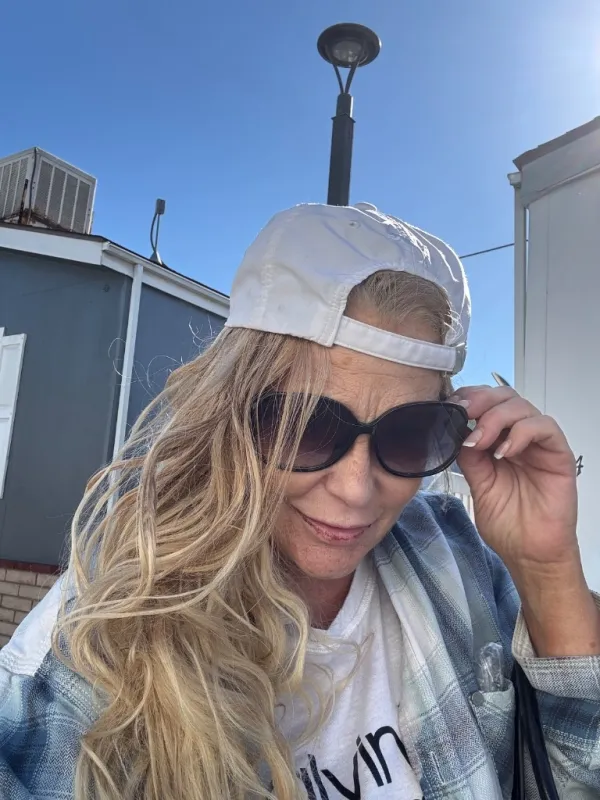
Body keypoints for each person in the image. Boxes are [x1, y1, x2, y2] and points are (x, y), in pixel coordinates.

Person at [0, 202, 599, 800]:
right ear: (230, 414)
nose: (356, 488)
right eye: (307, 425)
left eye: (409, 433)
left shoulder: (458, 557)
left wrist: (547, 568)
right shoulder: (104, 630)